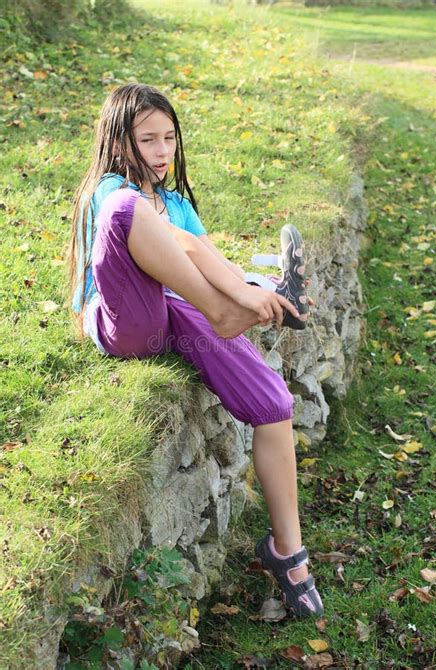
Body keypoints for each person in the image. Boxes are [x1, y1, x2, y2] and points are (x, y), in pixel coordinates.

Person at [68, 83, 323, 617]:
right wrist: (234, 297)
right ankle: (238, 307)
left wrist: (253, 291)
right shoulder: (111, 192)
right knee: (132, 211)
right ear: (119, 142)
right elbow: (169, 246)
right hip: (125, 321)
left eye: (169, 139)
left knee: (273, 403)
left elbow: (205, 254)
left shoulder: (177, 203)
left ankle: (289, 556)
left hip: (179, 317)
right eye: (147, 140)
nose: (162, 152)